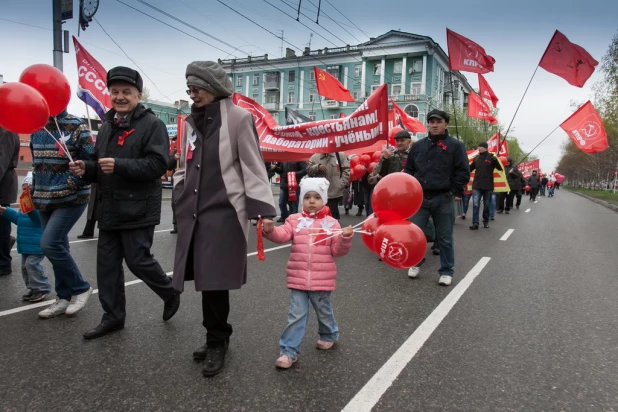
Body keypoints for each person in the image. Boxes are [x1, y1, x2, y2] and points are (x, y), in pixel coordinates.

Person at [172, 61, 277, 377]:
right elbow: (183, 163)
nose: (192, 94)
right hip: (193, 212)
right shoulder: (191, 122)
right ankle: (214, 335)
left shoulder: (239, 118)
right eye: (189, 88)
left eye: (197, 88)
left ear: (214, 88)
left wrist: (263, 212)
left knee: (214, 280)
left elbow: (253, 166)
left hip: (225, 211)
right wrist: (179, 191)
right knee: (203, 279)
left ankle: (218, 341)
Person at [69, 66, 180, 339]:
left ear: (138, 95)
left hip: (138, 206)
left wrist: (119, 165)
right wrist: (88, 168)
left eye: (126, 92)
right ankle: (113, 317)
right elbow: (101, 165)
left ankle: (170, 291)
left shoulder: (152, 125)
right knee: (106, 266)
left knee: (138, 261)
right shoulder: (107, 125)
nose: (119, 97)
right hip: (109, 207)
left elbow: (157, 165)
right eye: (115, 92)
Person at [262, 177, 353, 368]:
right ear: (301, 199)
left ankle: (329, 334)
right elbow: (282, 235)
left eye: (317, 197)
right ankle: (289, 351)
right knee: (296, 315)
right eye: (307, 197)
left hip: (322, 279)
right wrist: (269, 231)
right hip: (299, 279)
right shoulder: (294, 221)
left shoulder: (332, 224)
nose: (312, 201)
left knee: (324, 311)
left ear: (324, 200)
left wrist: (345, 238)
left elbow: (338, 251)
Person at [31, 110, 95, 319]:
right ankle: (63, 297)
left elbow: (91, 163)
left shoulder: (76, 125)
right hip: (43, 198)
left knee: (49, 244)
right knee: (59, 247)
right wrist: (33, 189)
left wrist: (72, 183)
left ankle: (81, 287)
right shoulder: (35, 126)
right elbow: (36, 164)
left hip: (71, 197)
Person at [404, 109, 470, 286]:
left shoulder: (455, 146)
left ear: (445, 124)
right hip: (420, 199)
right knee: (416, 235)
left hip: (444, 197)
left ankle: (446, 270)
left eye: (438, 122)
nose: (434, 125)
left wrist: (456, 192)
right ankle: (415, 263)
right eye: (431, 122)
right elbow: (409, 170)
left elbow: (463, 171)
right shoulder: (417, 147)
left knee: (445, 237)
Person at [0, 173, 51, 302]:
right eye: (24, 189)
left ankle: (41, 287)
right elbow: (19, 220)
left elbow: (39, 220)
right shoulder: (25, 205)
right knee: (25, 267)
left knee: (31, 265)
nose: (25, 192)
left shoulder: (39, 205)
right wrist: (6, 212)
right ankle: (33, 288)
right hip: (26, 245)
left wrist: (30, 209)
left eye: (28, 189)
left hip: (37, 244)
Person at [469, 142, 503, 229]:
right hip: (477, 185)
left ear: (486, 148)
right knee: (476, 204)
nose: (479, 148)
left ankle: (485, 221)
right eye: (478, 146)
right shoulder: (476, 158)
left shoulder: (491, 157)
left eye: (481, 146)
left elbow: (499, 168)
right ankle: (475, 223)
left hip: (487, 185)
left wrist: (495, 160)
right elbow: (470, 169)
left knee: (487, 205)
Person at [0, 126, 20, 277]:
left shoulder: (6, 128)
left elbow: (2, 160)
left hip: (2, 184)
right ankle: (7, 242)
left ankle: (3, 264)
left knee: (1, 224)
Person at [307, 152, 350, 219]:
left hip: (335, 191)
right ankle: (332, 225)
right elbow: (309, 171)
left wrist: (341, 184)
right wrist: (317, 167)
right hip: (319, 191)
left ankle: (333, 226)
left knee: (331, 210)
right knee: (322, 211)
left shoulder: (340, 155)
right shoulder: (315, 157)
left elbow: (346, 170)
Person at [168, 144, 181, 234]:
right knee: (174, 204)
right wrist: (174, 159)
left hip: (186, 181)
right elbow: (168, 166)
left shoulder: (187, 151)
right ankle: (176, 226)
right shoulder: (174, 154)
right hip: (176, 182)